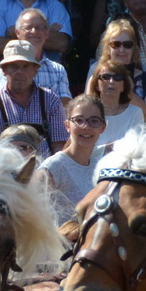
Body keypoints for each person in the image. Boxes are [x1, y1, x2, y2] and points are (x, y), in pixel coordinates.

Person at [0, 41, 67, 152]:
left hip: (45, 167)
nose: (20, 72)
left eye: (26, 66)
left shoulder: (51, 100)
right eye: (14, 66)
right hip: (5, 168)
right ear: (4, 70)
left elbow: (59, 146)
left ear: (35, 70)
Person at [38, 95, 107, 225]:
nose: (86, 126)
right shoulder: (54, 166)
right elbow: (31, 212)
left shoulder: (99, 167)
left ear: (103, 127)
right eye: (79, 120)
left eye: (94, 121)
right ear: (67, 125)